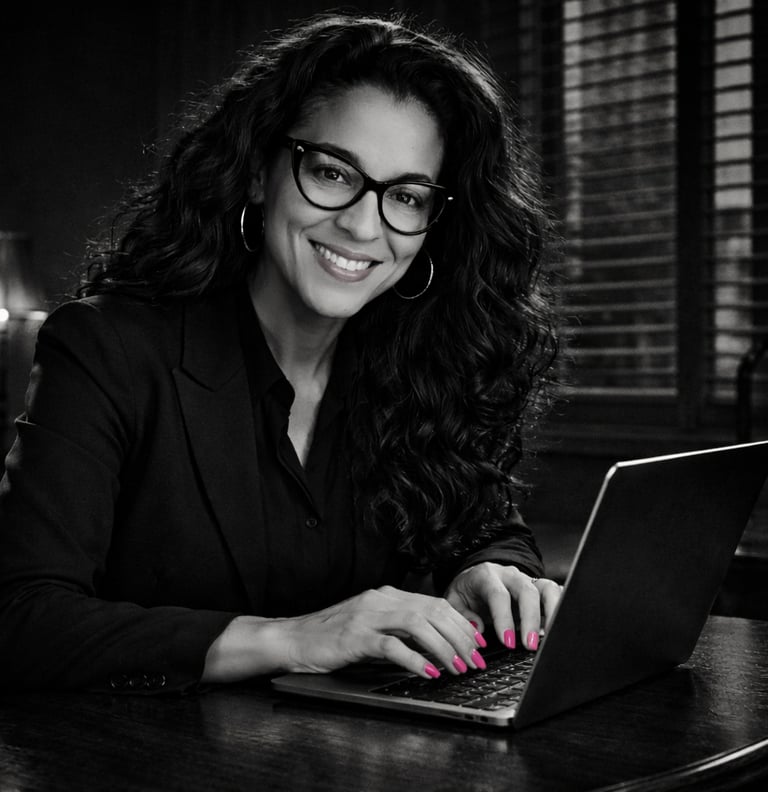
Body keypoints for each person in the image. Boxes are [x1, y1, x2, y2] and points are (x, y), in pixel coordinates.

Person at [0, 11, 562, 693]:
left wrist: (491, 571)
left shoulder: (421, 368)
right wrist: (290, 640)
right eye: (330, 173)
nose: (361, 224)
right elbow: (21, 617)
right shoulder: (106, 348)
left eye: (406, 196)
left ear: (433, 226)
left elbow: (483, 523)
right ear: (260, 173)